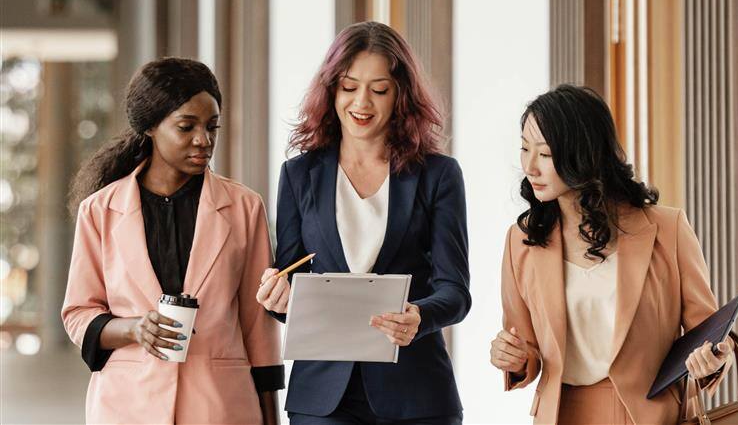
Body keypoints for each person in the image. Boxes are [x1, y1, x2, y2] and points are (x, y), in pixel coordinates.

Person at [256, 21, 470, 424]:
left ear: (400, 95)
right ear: (332, 90)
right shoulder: (299, 175)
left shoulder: (438, 175)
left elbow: (455, 291)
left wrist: (419, 316)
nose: (362, 103)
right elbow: (291, 281)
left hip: (415, 394)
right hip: (323, 399)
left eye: (379, 89)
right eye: (349, 87)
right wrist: (278, 300)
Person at [490, 85, 734, 424]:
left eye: (545, 154)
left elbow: (707, 333)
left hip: (652, 415)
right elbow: (526, 346)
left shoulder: (667, 228)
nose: (530, 166)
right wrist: (513, 358)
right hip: (564, 413)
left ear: (585, 153)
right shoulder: (522, 240)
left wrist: (713, 360)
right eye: (524, 149)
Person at [62, 57, 283, 424]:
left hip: (221, 405)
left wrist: (270, 417)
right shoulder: (99, 210)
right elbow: (79, 313)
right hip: (128, 406)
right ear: (150, 126)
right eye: (186, 127)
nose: (204, 140)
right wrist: (133, 329)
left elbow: (257, 323)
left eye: (212, 126)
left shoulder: (244, 207)